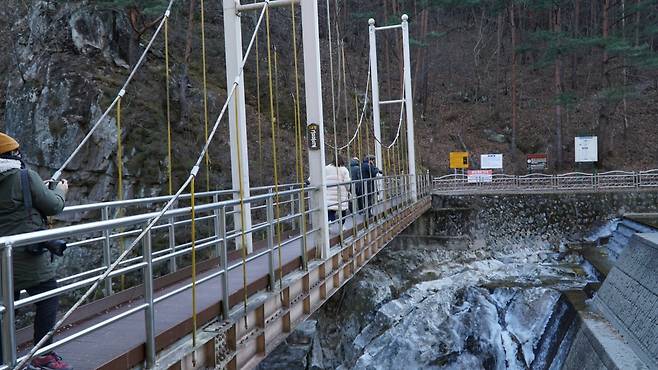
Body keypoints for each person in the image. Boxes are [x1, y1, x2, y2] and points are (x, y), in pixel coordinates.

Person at [0, 132, 72, 370]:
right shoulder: (25, 177)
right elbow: (53, 206)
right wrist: (59, 190)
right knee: (48, 297)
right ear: (13, 155)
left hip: (1, 258)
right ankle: (43, 354)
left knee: (5, 309)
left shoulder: (23, 179)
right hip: (27, 255)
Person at [325, 155, 351, 225]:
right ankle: (341, 226)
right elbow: (347, 183)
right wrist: (348, 189)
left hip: (330, 193)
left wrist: (309, 181)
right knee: (342, 210)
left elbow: (318, 175)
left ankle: (330, 221)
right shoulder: (344, 169)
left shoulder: (326, 168)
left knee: (331, 208)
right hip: (341, 194)